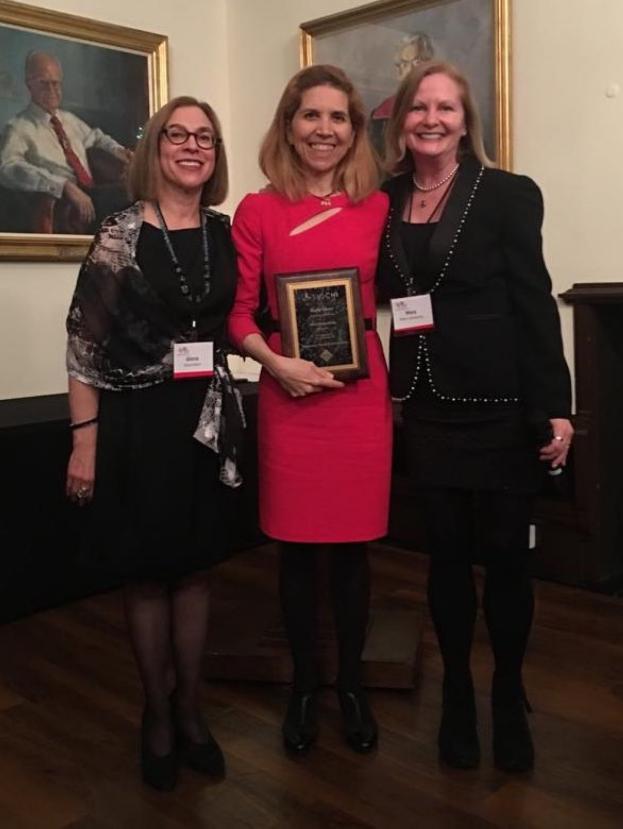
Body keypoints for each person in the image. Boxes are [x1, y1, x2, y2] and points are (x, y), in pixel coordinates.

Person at [377, 61, 573, 773]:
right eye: (419, 107)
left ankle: (507, 693)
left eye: (446, 108)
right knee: (446, 561)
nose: (431, 118)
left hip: (499, 409)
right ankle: (458, 692)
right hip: (424, 410)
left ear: (466, 120)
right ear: (401, 119)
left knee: (509, 566)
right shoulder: (384, 198)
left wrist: (556, 406)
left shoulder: (507, 194)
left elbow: (534, 299)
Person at [65, 95, 243, 791]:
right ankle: (157, 717)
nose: (193, 146)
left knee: (196, 569)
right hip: (137, 422)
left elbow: (247, 318)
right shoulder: (119, 232)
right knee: (146, 573)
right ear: (156, 147)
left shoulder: (226, 233)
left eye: (206, 136)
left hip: (207, 422)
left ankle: (192, 711)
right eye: (179, 134)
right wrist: (85, 443)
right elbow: (83, 347)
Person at [228, 65, 392, 754]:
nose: (324, 130)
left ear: (355, 131)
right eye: (310, 116)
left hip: (359, 398)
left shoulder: (378, 207)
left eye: (338, 118)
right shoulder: (257, 210)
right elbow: (236, 313)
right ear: (289, 126)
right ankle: (302, 689)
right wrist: (276, 362)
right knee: (295, 555)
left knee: (353, 554)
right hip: (289, 397)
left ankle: (349, 684)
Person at [0, 51, 132, 232]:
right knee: (129, 199)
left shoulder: (69, 120)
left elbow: (97, 137)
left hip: (93, 193)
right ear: (29, 85)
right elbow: (8, 168)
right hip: (65, 202)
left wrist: (118, 151)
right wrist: (62, 185)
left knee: (135, 195)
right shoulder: (19, 127)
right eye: (44, 84)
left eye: (56, 83)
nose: (52, 91)